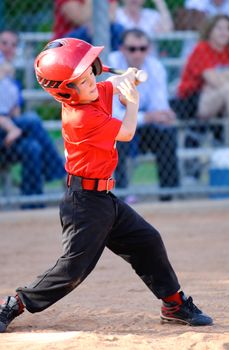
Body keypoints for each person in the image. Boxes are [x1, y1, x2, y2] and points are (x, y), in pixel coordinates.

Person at [0, 37, 213, 332]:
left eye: (91, 74)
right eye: (83, 80)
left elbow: (110, 85)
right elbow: (126, 132)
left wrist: (128, 75)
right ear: (67, 92)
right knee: (72, 270)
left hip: (103, 198)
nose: (92, 82)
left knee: (147, 241)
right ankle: (14, 304)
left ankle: (173, 303)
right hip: (84, 204)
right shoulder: (81, 115)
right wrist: (133, 102)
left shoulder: (86, 94)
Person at [109, 29, 179, 199]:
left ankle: (168, 195)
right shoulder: (111, 64)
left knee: (167, 133)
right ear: (122, 49)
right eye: (132, 49)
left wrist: (164, 115)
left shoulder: (154, 67)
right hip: (119, 126)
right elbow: (112, 114)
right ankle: (122, 196)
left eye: (143, 48)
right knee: (119, 138)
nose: (138, 54)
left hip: (144, 126)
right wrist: (148, 117)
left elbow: (159, 105)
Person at [0, 31, 66, 200]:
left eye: (13, 44)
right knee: (32, 120)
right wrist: (12, 127)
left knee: (32, 148)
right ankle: (59, 172)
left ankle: (32, 202)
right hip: (5, 130)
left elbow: (14, 111)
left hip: (6, 138)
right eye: (4, 43)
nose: (8, 48)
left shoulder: (11, 76)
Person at [173, 15, 229, 122]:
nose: (224, 33)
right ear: (210, 31)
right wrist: (227, 75)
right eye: (219, 28)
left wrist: (220, 77)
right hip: (193, 101)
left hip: (217, 98)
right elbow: (214, 81)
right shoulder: (202, 49)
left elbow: (216, 81)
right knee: (228, 89)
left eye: (228, 29)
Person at [53, 0, 125, 51]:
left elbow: (112, 16)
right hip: (69, 37)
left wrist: (97, 25)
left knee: (118, 29)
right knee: (86, 31)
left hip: (98, 30)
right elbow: (80, 18)